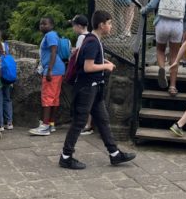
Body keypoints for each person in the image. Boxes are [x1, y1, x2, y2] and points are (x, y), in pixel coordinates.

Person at [58, 9, 136, 169]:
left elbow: (90, 59)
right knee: (79, 122)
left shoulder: (92, 39)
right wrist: (106, 66)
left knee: (103, 120)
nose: (111, 26)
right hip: (86, 89)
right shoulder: (93, 42)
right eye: (109, 23)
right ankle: (66, 156)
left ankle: (114, 154)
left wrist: (104, 62)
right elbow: (88, 67)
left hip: (94, 89)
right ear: (101, 25)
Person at [139, 0, 186, 95]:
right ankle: (172, 86)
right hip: (177, 26)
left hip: (162, 24)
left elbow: (151, 6)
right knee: (174, 56)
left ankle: (161, 68)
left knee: (160, 50)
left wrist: (142, 11)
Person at [29, 16, 66, 136]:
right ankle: (51, 124)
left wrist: (49, 70)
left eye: (45, 24)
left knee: (47, 98)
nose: (42, 26)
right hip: (58, 69)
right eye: (41, 24)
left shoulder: (50, 35)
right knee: (54, 98)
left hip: (53, 70)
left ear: (52, 25)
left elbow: (53, 52)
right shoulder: (53, 35)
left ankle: (44, 126)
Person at [69, 14, 93, 135]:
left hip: (82, 73)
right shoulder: (91, 36)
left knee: (82, 100)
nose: (73, 28)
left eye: (73, 25)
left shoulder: (81, 38)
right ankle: (88, 124)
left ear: (79, 26)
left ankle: (86, 125)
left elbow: (77, 56)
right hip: (91, 73)